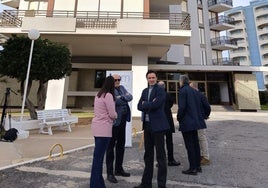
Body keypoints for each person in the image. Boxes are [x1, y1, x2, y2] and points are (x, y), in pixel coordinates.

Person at [134, 70, 169, 188]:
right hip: (147, 126)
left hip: (158, 127)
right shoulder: (144, 91)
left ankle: (161, 185)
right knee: (148, 155)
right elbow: (139, 106)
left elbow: (156, 105)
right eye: (149, 78)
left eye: (153, 77)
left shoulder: (160, 90)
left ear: (156, 78)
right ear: (147, 79)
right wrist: (149, 104)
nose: (151, 79)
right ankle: (146, 183)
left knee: (161, 157)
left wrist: (146, 104)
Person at [90, 76, 117, 188]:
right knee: (99, 159)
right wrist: (116, 115)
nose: (116, 83)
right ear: (111, 84)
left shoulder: (98, 95)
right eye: (115, 82)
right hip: (104, 129)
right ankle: (95, 184)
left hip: (96, 128)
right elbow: (112, 113)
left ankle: (99, 183)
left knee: (97, 157)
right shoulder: (108, 95)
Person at [106, 74, 133, 183]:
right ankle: (110, 172)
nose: (117, 81)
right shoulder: (109, 91)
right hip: (113, 123)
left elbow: (130, 96)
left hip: (122, 121)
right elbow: (114, 102)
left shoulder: (121, 88)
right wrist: (123, 98)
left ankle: (119, 169)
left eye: (119, 80)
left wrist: (121, 97)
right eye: (115, 80)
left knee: (121, 145)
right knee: (110, 147)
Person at [177, 75, 205, 176]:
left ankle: (192, 168)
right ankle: (198, 166)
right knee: (195, 144)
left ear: (181, 81)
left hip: (187, 122)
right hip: (195, 122)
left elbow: (182, 107)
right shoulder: (194, 91)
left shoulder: (183, 91)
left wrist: (179, 118)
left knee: (190, 146)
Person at [158, 81, 180, 166]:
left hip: (160, 120)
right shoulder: (167, 94)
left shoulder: (156, 95)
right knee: (169, 141)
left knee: (160, 141)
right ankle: (170, 159)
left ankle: (161, 160)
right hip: (167, 119)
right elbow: (171, 104)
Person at [190, 82, 211, 166]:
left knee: (201, 137)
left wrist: (204, 115)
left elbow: (207, 107)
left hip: (199, 120)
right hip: (196, 120)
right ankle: (201, 155)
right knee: (198, 138)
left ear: (194, 87)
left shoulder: (200, 95)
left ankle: (206, 157)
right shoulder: (197, 95)